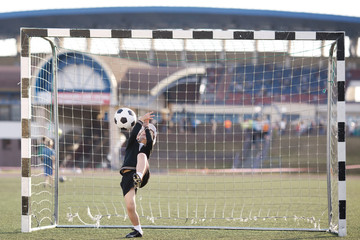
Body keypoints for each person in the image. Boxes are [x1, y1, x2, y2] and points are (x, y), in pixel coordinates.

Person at [119, 111, 157, 238]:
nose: (143, 134)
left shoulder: (147, 149)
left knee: (141, 156)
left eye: (147, 133)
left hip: (142, 174)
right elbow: (134, 133)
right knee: (130, 206)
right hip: (127, 177)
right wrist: (140, 122)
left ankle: (138, 177)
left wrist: (146, 126)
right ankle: (138, 230)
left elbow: (150, 141)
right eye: (141, 132)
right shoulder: (132, 144)